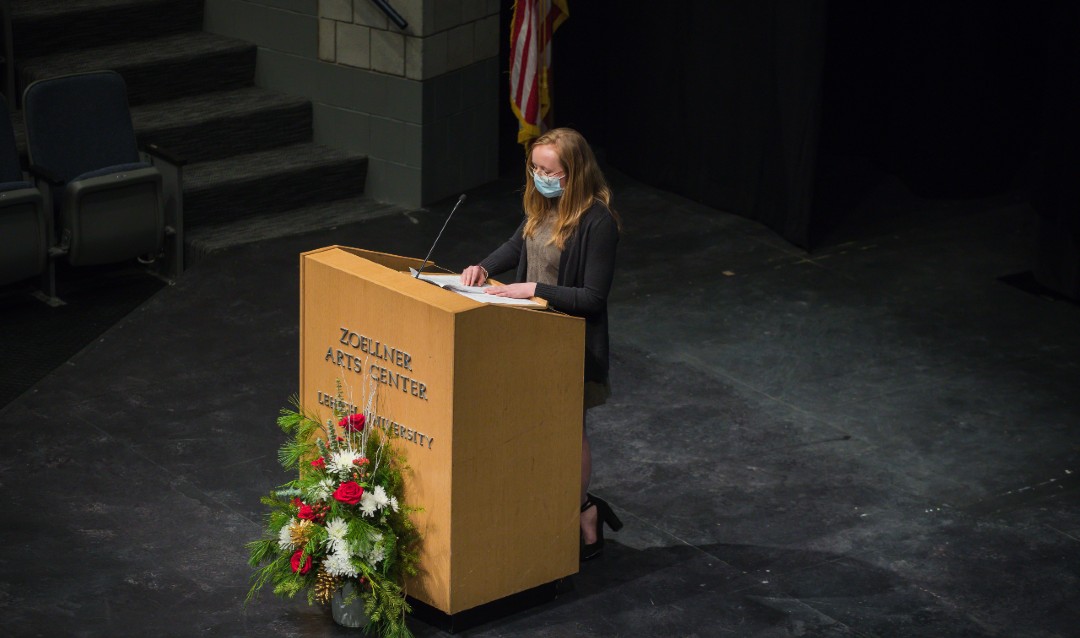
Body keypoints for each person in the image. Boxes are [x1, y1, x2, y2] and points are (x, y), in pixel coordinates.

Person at [461, 128, 623, 560]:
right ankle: (543, 512)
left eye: (548, 171)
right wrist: (483, 267)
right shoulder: (543, 205)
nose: (538, 177)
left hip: (570, 345)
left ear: (573, 174)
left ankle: (585, 512)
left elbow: (592, 298)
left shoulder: (597, 222)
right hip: (529, 337)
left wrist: (532, 289)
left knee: (570, 434)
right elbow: (518, 245)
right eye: (534, 168)